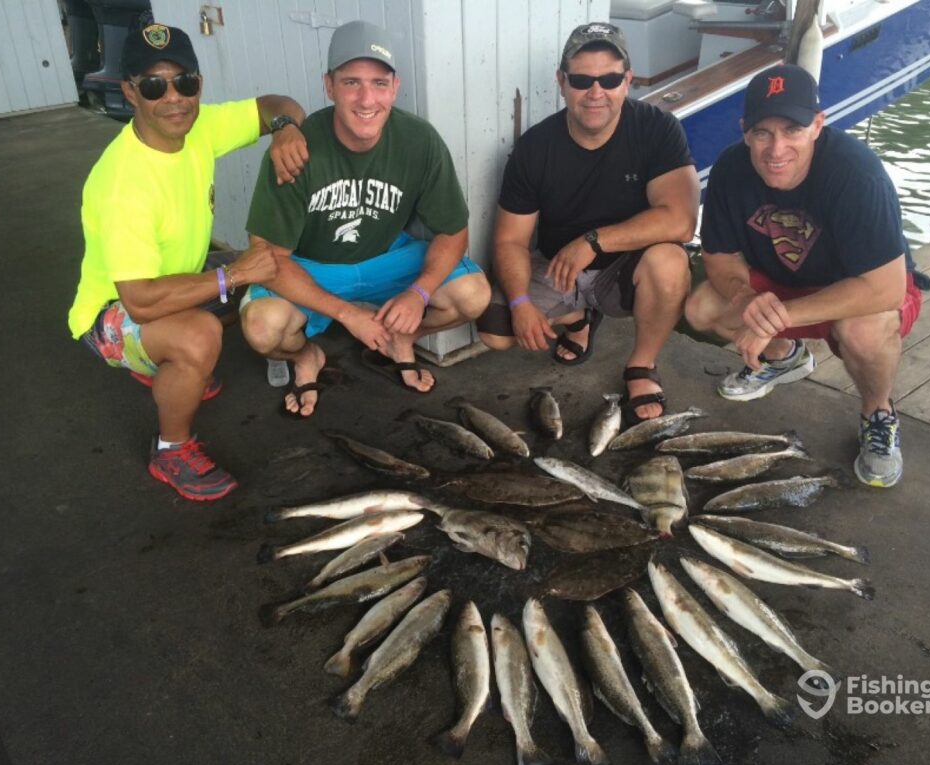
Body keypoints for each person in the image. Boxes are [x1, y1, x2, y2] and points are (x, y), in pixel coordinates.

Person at [68, 23, 310, 501]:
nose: (174, 97)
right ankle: (171, 448)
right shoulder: (123, 183)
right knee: (202, 334)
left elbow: (277, 105)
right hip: (114, 311)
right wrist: (236, 273)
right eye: (155, 86)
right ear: (130, 92)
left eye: (186, 82)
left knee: (269, 260)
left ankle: (168, 364)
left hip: (168, 282)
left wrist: (286, 130)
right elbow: (138, 300)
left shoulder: (198, 127)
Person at [684, 64, 922, 487]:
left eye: (792, 130)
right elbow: (719, 257)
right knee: (703, 306)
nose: (776, 149)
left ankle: (878, 413)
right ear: (744, 131)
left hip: (862, 289)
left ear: (817, 125)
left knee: (863, 333)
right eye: (762, 132)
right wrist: (744, 299)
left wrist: (778, 316)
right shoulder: (730, 169)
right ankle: (783, 358)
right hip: (785, 282)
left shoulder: (856, 173)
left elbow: (886, 287)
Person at [241, 20, 491, 416]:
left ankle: (401, 338)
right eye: (351, 82)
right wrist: (347, 313)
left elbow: (453, 231)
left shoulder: (419, 140)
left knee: (474, 295)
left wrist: (419, 293)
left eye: (378, 83)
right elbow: (267, 258)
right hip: (311, 265)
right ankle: (306, 356)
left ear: (395, 86)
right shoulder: (297, 147)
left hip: (385, 257)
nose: (366, 98)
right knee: (262, 328)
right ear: (329, 86)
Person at [475, 22, 699, 424]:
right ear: (562, 82)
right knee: (494, 331)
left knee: (671, 262)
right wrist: (521, 303)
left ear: (627, 80)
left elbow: (682, 221)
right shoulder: (535, 146)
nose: (596, 92)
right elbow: (510, 240)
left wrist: (593, 242)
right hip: (558, 266)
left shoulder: (657, 128)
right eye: (582, 80)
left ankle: (641, 367)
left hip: (622, 270)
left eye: (610, 79)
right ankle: (577, 318)